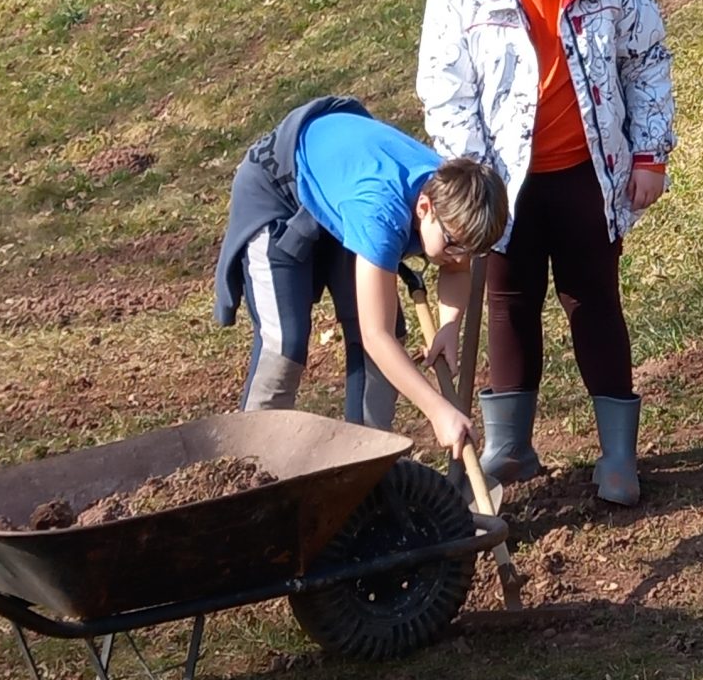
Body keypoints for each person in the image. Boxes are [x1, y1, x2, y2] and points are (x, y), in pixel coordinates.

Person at [417, 0, 677, 506]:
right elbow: (446, 95)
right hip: (506, 191)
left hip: (589, 176)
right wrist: (475, 185)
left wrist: (649, 155)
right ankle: (511, 447)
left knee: (592, 301)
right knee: (507, 303)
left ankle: (618, 455)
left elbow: (647, 63)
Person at [212, 95, 509, 453]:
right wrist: (437, 411)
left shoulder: (455, 200)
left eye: (472, 251)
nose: (460, 257)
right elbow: (375, 335)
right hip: (278, 186)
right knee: (285, 342)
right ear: (425, 208)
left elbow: (456, 267)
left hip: (342, 186)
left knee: (387, 341)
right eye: (453, 245)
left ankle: (366, 464)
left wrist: (449, 326)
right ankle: (251, 467)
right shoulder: (379, 215)